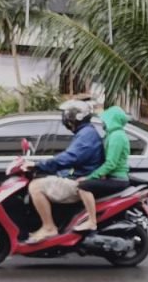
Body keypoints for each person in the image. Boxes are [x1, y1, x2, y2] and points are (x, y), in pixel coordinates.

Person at [25, 100, 104, 241]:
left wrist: (39, 165)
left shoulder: (86, 135)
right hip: (79, 176)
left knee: (35, 186)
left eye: (69, 114)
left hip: (80, 180)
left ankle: (49, 228)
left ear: (77, 117)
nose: (66, 117)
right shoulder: (85, 132)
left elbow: (70, 157)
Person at [74, 106, 131, 232]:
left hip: (117, 179)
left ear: (112, 120)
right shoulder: (112, 135)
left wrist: (90, 177)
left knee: (83, 186)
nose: (103, 122)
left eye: (105, 120)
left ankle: (92, 221)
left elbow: (110, 164)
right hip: (113, 177)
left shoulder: (117, 136)